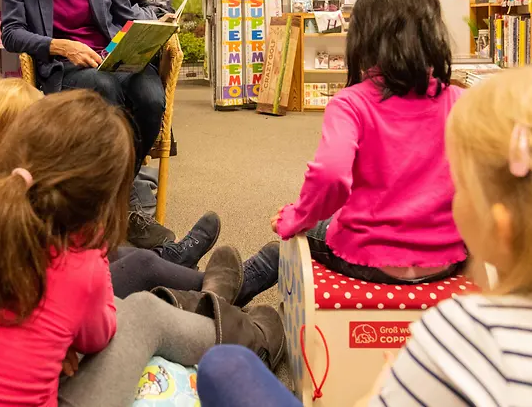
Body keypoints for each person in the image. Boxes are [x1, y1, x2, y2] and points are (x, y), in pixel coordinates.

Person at [0, 90, 284, 407]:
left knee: (137, 276)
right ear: (109, 202)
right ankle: (250, 332)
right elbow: (98, 337)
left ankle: (214, 302)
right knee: (143, 313)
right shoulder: (79, 268)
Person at [197, 66, 532, 407]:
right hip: (439, 264)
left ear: (500, 229)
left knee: (223, 365)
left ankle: (217, 302)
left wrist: (385, 386)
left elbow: (330, 176)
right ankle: (224, 295)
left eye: (461, 189)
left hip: (371, 258)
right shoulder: (452, 100)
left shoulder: (459, 331)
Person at [0, 74, 234, 273]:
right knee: (137, 268)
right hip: (53, 291)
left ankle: (177, 264)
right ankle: (206, 286)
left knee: (126, 256)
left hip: (61, 277)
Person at [0, 0, 194, 250]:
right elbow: (11, 33)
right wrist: (59, 45)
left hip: (113, 60)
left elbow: (124, 17)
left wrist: (154, 27)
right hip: (64, 67)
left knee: (152, 96)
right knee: (102, 90)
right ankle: (126, 206)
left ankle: (116, 199)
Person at [268, 0, 465, 285]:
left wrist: (297, 217)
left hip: (370, 256)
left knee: (286, 242)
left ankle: (224, 300)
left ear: (362, 40)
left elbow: (330, 175)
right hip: (444, 260)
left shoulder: (351, 103)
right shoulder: (459, 101)